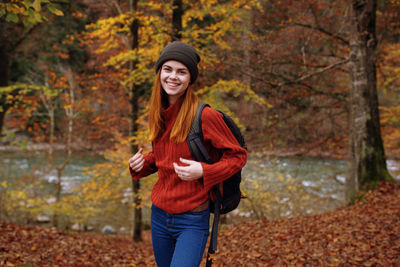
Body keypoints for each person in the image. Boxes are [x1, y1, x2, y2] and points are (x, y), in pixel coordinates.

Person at [128, 41, 247, 267]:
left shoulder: (205, 116)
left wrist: (203, 170)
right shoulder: (158, 113)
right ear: (159, 73)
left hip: (192, 218)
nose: (173, 77)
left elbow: (238, 156)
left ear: (190, 78)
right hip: (159, 216)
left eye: (181, 72)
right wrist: (141, 164)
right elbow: (165, 158)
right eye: (168, 69)